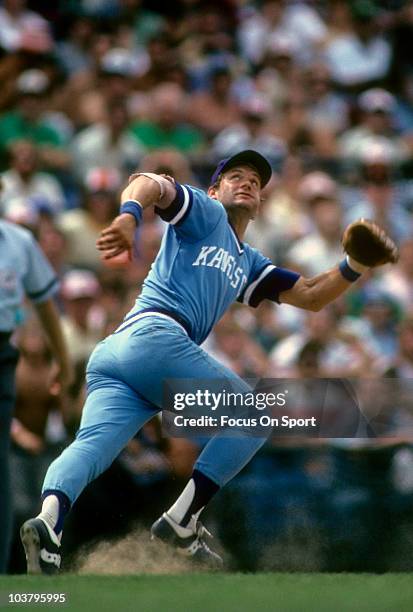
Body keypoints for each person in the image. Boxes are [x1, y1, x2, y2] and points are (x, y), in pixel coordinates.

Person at [20, 149, 397, 574]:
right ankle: (182, 518)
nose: (248, 182)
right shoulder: (206, 212)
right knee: (255, 415)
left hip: (119, 355)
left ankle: (49, 523)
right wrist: (129, 216)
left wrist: (355, 265)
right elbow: (149, 181)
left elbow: (310, 296)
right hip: (154, 337)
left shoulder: (246, 259)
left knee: (90, 447)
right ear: (214, 189)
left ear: (260, 204)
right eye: (236, 175)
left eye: (256, 181)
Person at [0, 215, 72, 573]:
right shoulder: (19, 366)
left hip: (45, 445)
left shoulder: (51, 372)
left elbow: (67, 415)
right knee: (16, 503)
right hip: (18, 443)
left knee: (42, 506)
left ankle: (36, 564)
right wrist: (18, 433)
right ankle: (14, 569)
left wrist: (64, 364)